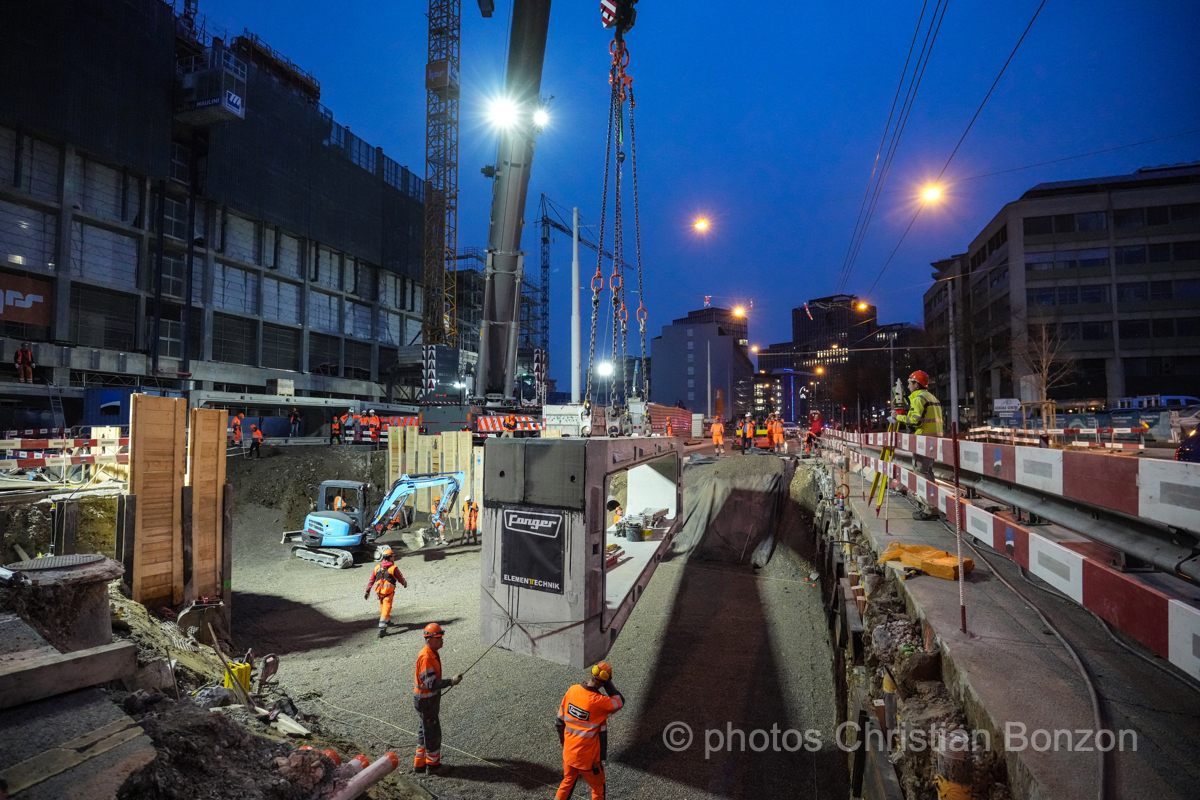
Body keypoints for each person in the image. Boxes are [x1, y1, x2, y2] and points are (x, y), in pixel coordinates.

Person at [554, 661, 625, 800]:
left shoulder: (573, 690)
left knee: (567, 784)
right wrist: (608, 684)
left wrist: (563, 740)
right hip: (588, 760)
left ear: (591, 674)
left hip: (569, 754)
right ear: (605, 682)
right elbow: (620, 701)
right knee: (598, 789)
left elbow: (559, 722)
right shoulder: (600, 702)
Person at [892, 370, 943, 520]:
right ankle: (932, 504)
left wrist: (898, 417)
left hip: (923, 440)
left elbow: (915, 420)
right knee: (928, 472)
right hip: (934, 439)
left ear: (916, 384)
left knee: (922, 472)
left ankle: (931, 508)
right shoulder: (932, 397)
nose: (908, 386)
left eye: (909, 383)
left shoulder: (918, 398)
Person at [413, 623, 463, 774]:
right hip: (427, 702)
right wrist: (450, 681)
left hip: (425, 700)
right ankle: (433, 766)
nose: (442, 640)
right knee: (433, 733)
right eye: (439, 638)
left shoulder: (431, 652)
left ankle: (419, 764)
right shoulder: (427, 657)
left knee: (424, 731)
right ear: (429, 639)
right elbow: (431, 683)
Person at [364, 546, 407, 638]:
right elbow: (400, 578)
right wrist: (404, 583)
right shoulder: (393, 568)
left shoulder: (377, 567)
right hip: (388, 593)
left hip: (379, 592)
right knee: (386, 609)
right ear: (390, 557)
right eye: (393, 556)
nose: (393, 558)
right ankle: (382, 629)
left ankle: (387, 620)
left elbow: (371, 580)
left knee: (382, 607)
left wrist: (367, 591)